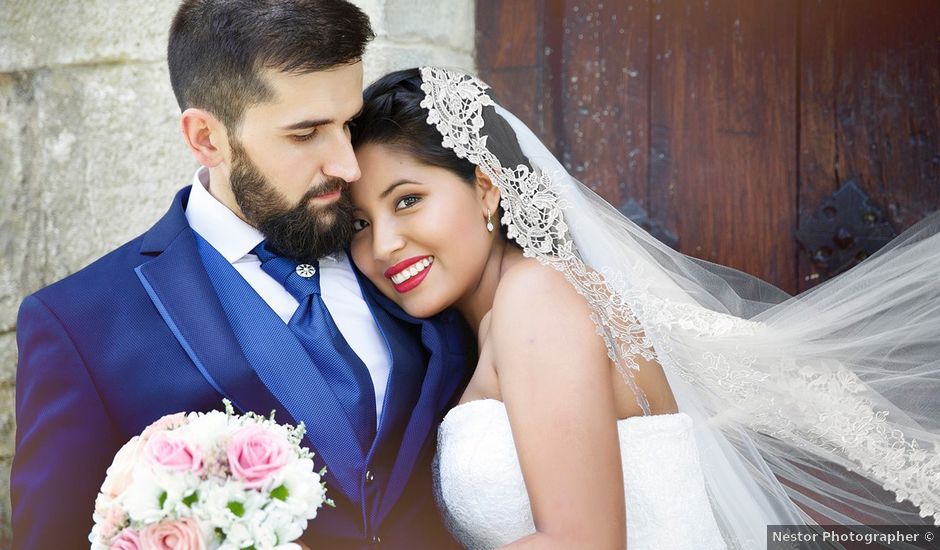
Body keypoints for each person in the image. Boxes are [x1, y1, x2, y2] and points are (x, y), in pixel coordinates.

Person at [348, 67, 940, 549]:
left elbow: (580, 544)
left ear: (485, 187)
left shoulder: (538, 299)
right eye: (359, 223)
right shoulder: (517, 310)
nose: (382, 245)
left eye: (408, 200)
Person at [12, 4, 470, 549]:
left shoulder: (401, 253)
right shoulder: (79, 325)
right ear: (206, 138)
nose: (348, 165)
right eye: (306, 134)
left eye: (347, 125)